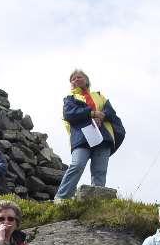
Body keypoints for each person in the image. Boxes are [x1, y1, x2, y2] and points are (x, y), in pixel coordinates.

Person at [54, 70, 126, 201]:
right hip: (81, 138)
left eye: (79, 77)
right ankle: (61, 198)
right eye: (73, 79)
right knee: (77, 165)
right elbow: (69, 114)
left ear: (86, 80)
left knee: (100, 171)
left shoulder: (99, 96)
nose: (76, 79)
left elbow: (110, 112)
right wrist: (92, 114)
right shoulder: (70, 98)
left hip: (102, 137)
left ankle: (96, 202)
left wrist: (102, 115)